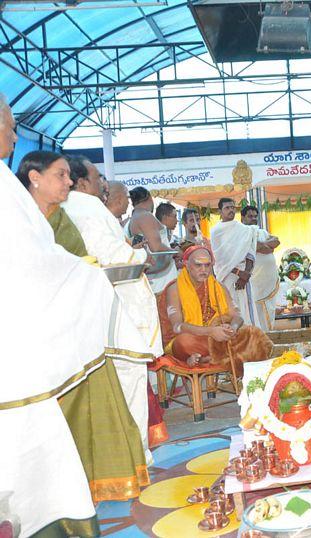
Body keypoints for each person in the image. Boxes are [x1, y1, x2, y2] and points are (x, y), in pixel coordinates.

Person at [17, 151, 149, 502]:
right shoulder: (19, 217)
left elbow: (76, 259)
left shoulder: (61, 215)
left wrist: (83, 269)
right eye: (60, 175)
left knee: (98, 395)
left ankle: (90, 481)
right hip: (35, 333)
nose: (69, 182)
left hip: (77, 322)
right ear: (34, 178)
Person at [1, 101, 102, 535]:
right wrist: (85, 274)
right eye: (9, 122)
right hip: (14, 356)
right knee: (35, 463)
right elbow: (26, 262)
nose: (15, 129)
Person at [63, 178, 162, 460]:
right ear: (81, 181)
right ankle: (135, 455)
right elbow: (113, 255)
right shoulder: (86, 206)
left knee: (125, 382)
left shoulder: (78, 207)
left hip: (105, 315)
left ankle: (130, 452)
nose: (102, 186)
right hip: (118, 317)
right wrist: (141, 254)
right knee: (129, 380)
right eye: (98, 179)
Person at [160, 246, 273, 378]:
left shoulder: (218, 287)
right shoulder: (175, 289)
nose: (204, 270)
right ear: (186, 264)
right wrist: (211, 332)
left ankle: (207, 358)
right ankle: (210, 356)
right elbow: (177, 326)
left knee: (254, 334)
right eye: (198, 265)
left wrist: (232, 328)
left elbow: (237, 316)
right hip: (191, 338)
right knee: (184, 342)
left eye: (207, 265)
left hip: (216, 338)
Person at [211, 197, 260, 325]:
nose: (231, 210)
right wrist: (239, 273)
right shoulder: (216, 231)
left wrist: (246, 274)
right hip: (227, 276)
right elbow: (219, 258)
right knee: (231, 309)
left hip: (244, 277)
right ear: (220, 211)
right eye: (227, 208)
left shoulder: (244, 229)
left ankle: (251, 337)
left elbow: (250, 252)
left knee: (247, 308)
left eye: (233, 207)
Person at [126, 187, 177, 295]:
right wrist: (177, 253)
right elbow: (156, 247)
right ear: (149, 198)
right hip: (161, 279)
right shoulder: (145, 216)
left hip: (156, 276)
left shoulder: (134, 217)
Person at [241, 204, 281, 330]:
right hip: (254, 282)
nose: (253, 218)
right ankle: (259, 339)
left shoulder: (262, 231)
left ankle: (268, 336)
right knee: (255, 312)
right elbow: (258, 247)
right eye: (250, 216)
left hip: (269, 281)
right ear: (242, 218)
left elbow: (277, 241)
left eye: (255, 216)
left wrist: (262, 245)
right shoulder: (242, 234)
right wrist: (266, 246)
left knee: (269, 310)